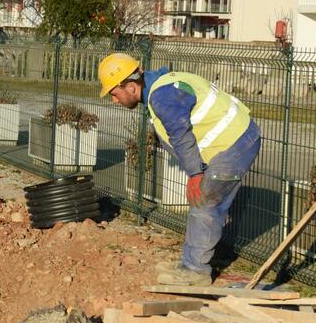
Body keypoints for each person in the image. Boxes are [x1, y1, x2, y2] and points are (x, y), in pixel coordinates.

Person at [98, 53, 262, 286]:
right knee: (205, 203)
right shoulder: (164, 85)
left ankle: (195, 271)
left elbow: (181, 135)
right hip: (238, 137)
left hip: (234, 144)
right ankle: (190, 262)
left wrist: (195, 175)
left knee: (203, 201)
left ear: (132, 86)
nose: (114, 100)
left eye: (114, 93)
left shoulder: (162, 96)